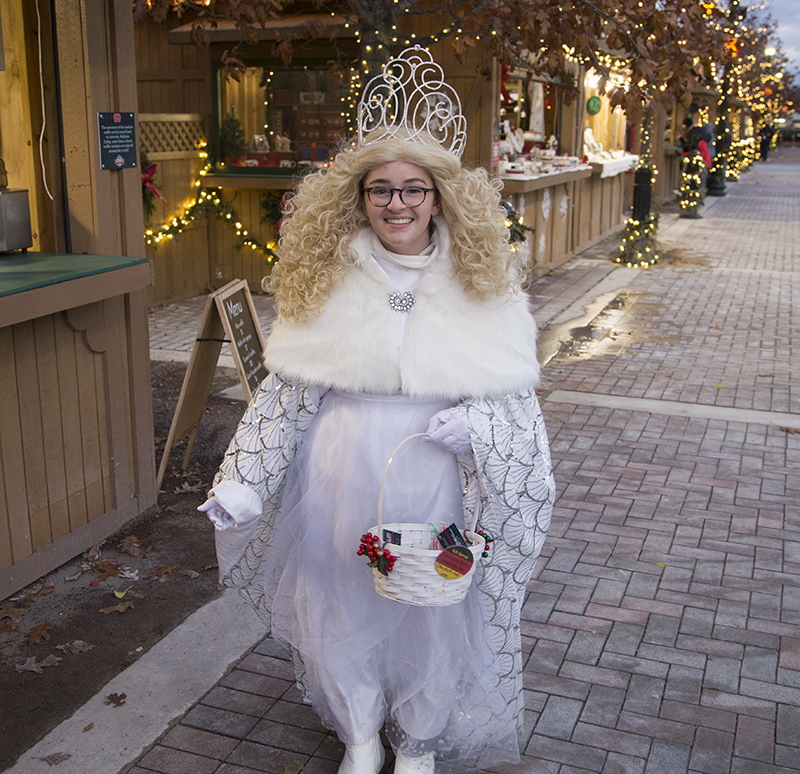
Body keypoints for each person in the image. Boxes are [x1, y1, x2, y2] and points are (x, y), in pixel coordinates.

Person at [198, 47, 555, 774]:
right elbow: (285, 399)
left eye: (413, 189)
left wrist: (478, 428)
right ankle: (360, 733)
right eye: (380, 190)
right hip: (339, 472)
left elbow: (516, 411)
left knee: (431, 612)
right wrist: (244, 481)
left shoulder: (483, 285)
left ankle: (417, 740)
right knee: (340, 607)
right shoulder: (325, 281)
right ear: (358, 199)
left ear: (440, 196)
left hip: (436, 474)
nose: (397, 204)